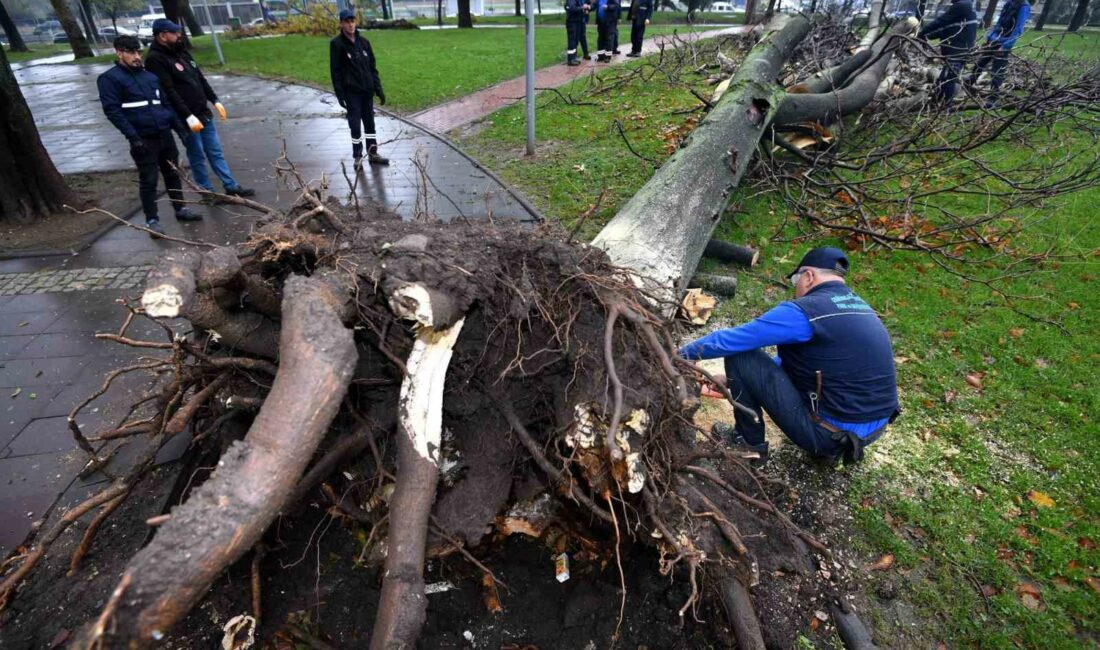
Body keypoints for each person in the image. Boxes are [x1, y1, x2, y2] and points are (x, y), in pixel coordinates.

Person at [679, 248, 899, 465]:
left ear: (809, 276)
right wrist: (735, 381)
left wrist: (677, 355)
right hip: (871, 431)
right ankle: (829, 449)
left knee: (741, 357)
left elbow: (728, 341)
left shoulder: (806, 311)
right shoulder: (860, 308)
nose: (796, 289)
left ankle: (747, 444)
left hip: (829, 435)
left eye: (796, 281)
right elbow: (817, 366)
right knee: (752, 366)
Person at [97, 35, 202, 238]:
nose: (137, 56)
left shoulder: (150, 77)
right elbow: (113, 112)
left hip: (164, 134)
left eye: (138, 52)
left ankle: (180, 208)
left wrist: (179, 129)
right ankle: (152, 220)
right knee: (149, 179)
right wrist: (133, 137)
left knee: (173, 173)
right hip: (143, 138)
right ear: (119, 53)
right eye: (132, 52)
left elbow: (164, 105)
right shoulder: (110, 79)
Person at [144, 18, 255, 198]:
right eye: (174, 33)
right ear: (162, 36)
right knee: (197, 156)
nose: (179, 35)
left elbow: (200, 79)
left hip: (202, 112)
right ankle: (207, 192)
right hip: (186, 118)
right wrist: (187, 115)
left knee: (215, 151)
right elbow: (168, 91)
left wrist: (214, 99)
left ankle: (231, 185)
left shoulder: (181, 52)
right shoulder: (155, 59)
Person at [329, 9, 390, 168]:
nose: (350, 25)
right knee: (355, 127)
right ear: (341, 24)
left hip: (367, 92)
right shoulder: (337, 44)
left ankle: (373, 153)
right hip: (352, 94)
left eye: (352, 21)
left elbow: (372, 68)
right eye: (347, 22)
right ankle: (357, 156)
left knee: (370, 125)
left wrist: (378, 89)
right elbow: (335, 72)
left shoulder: (364, 43)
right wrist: (340, 95)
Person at [917, 0, 979, 105]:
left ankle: (947, 106)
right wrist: (926, 36)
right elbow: (948, 28)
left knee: (949, 78)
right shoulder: (962, 9)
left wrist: (922, 32)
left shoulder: (962, 5)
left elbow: (941, 21)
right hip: (958, 47)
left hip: (959, 49)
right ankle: (936, 101)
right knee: (943, 77)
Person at [967, 0, 1030, 101]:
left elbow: (1018, 29)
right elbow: (999, 22)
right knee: (980, 63)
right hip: (994, 40)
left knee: (998, 71)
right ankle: (968, 84)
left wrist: (1005, 46)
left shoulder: (1024, 6)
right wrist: (990, 37)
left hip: (1004, 43)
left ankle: (993, 98)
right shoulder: (1009, 3)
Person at [565, 0, 592, 66]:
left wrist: (587, 7)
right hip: (572, 22)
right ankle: (571, 59)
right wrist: (582, 7)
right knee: (572, 40)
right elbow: (572, 8)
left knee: (576, 40)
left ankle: (574, 58)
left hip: (578, 22)